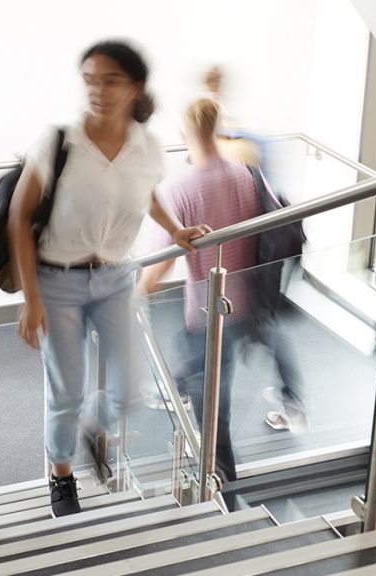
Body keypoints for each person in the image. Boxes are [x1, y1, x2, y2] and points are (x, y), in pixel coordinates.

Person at [9, 40, 207, 518]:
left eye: (110, 80)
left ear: (134, 87)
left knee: (130, 389)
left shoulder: (146, 146)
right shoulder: (61, 141)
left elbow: (147, 192)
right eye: (90, 80)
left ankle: (92, 426)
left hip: (116, 276)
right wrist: (31, 297)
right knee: (66, 390)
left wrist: (175, 228)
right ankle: (60, 474)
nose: (98, 90)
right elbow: (19, 216)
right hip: (57, 280)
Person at [139, 98, 260, 494]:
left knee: (211, 403)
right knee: (213, 386)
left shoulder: (182, 189)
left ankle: (219, 478)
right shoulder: (244, 174)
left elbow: (161, 266)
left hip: (206, 312)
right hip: (242, 305)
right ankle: (220, 470)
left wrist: (135, 295)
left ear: (183, 135)